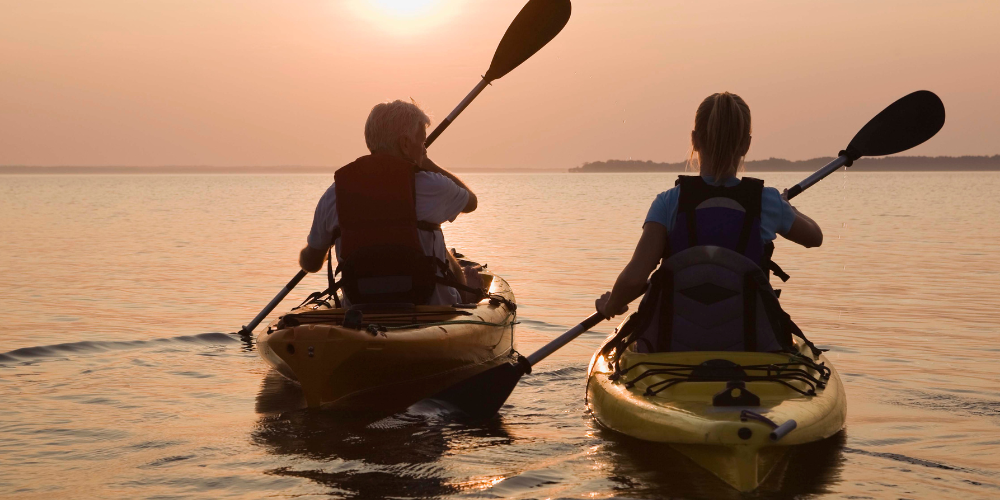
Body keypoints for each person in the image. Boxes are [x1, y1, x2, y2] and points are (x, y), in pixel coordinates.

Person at [595, 92, 823, 353]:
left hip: (673, 345)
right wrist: (787, 208)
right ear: (746, 145)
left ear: (695, 140)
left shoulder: (668, 202)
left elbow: (635, 279)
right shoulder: (767, 201)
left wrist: (612, 305)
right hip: (749, 345)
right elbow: (815, 237)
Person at [298, 99, 479, 306]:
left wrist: (317, 247)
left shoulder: (334, 195)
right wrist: (428, 164)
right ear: (405, 144)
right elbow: (470, 202)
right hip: (431, 312)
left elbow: (311, 263)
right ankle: (468, 294)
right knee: (440, 249)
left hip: (361, 312)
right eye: (422, 142)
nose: (424, 149)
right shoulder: (433, 186)